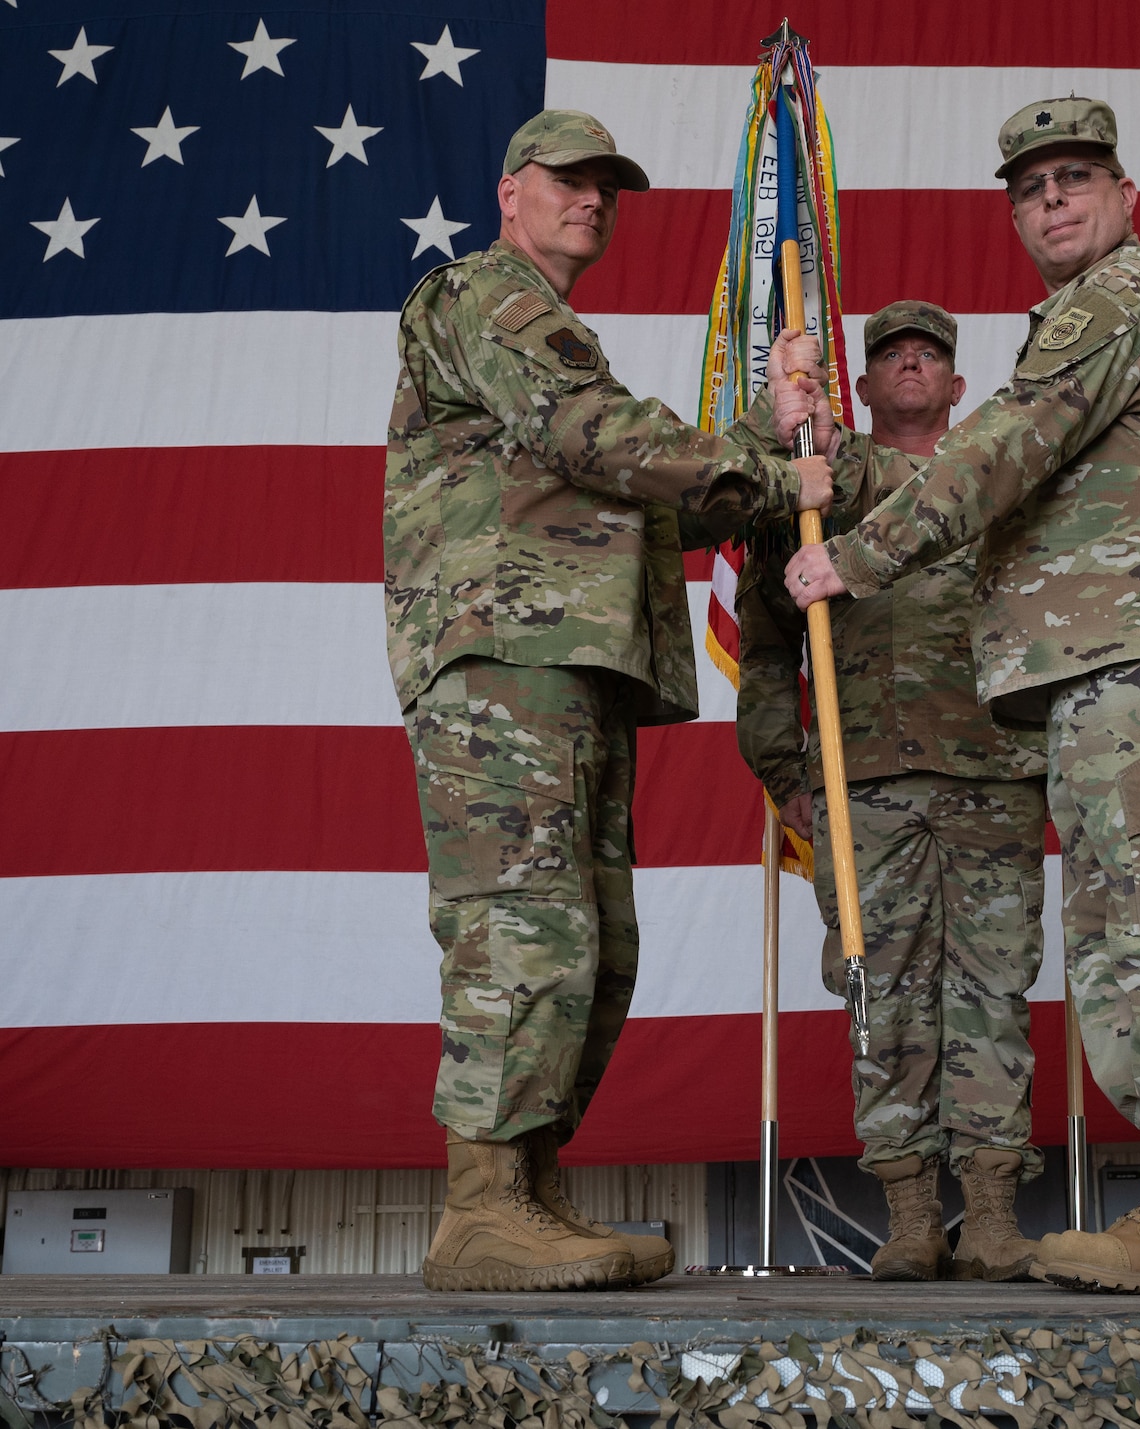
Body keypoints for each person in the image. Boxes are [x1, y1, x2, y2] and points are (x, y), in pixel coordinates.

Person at [785, 99, 1140, 1296]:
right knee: (1127, 937)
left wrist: (856, 553)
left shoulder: (1123, 295)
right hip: (1110, 671)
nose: (1052, 201)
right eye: (1029, 188)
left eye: (1074, 178)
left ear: (1126, 196)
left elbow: (1008, 441)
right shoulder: (1077, 314)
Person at [384, 108, 834, 1293]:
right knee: (525, 926)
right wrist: (771, 468)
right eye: (569, 180)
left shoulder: (557, 337)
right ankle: (482, 1202)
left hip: (571, 668)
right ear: (509, 192)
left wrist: (762, 433)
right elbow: (596, 438)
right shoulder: (483, 299)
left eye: (607, 186)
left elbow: (658, 500)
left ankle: (524, 1188)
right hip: (504, 660)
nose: (591, 199)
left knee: (592, 942)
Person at [737, 302, 1050, 1282]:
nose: (910, 365)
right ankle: (911, 1214)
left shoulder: (999, 489)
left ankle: (993, 1216)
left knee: (991, 995)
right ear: (863, 389)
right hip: (857, 780)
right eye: (890, 357)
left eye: (930, 356)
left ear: (958, 388)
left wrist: (1058, 757)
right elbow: (764, 639)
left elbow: (1052, 615)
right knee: (881, 998)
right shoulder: (819, 493)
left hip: (991, 775)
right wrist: (783, 770)